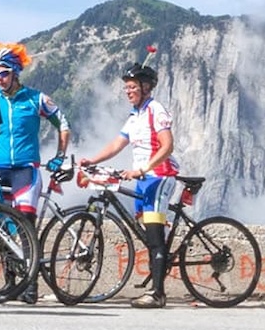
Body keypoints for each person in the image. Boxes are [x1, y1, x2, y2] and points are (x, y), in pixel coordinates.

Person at [77, 62, 186, 308]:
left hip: (158, 177)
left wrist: (144, 168)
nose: (128, 91)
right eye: (126, 87)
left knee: (155, 237)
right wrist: (92, 159)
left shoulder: (155, 110)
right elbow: (118, 144)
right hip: (142, 178)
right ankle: (155, 279)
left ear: (145, 87)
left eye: (132, 87)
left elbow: (168, 146)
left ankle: (158, 294)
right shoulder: (135, 115)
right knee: (147, 234)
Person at [0, 43, 68, 220]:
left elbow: (62, 123)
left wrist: (60, 155)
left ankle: (31, 248)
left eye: (4, 73)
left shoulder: (36, 98)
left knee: (25, 220)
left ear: (15, 72)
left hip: (25, 169)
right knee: (2, 227)